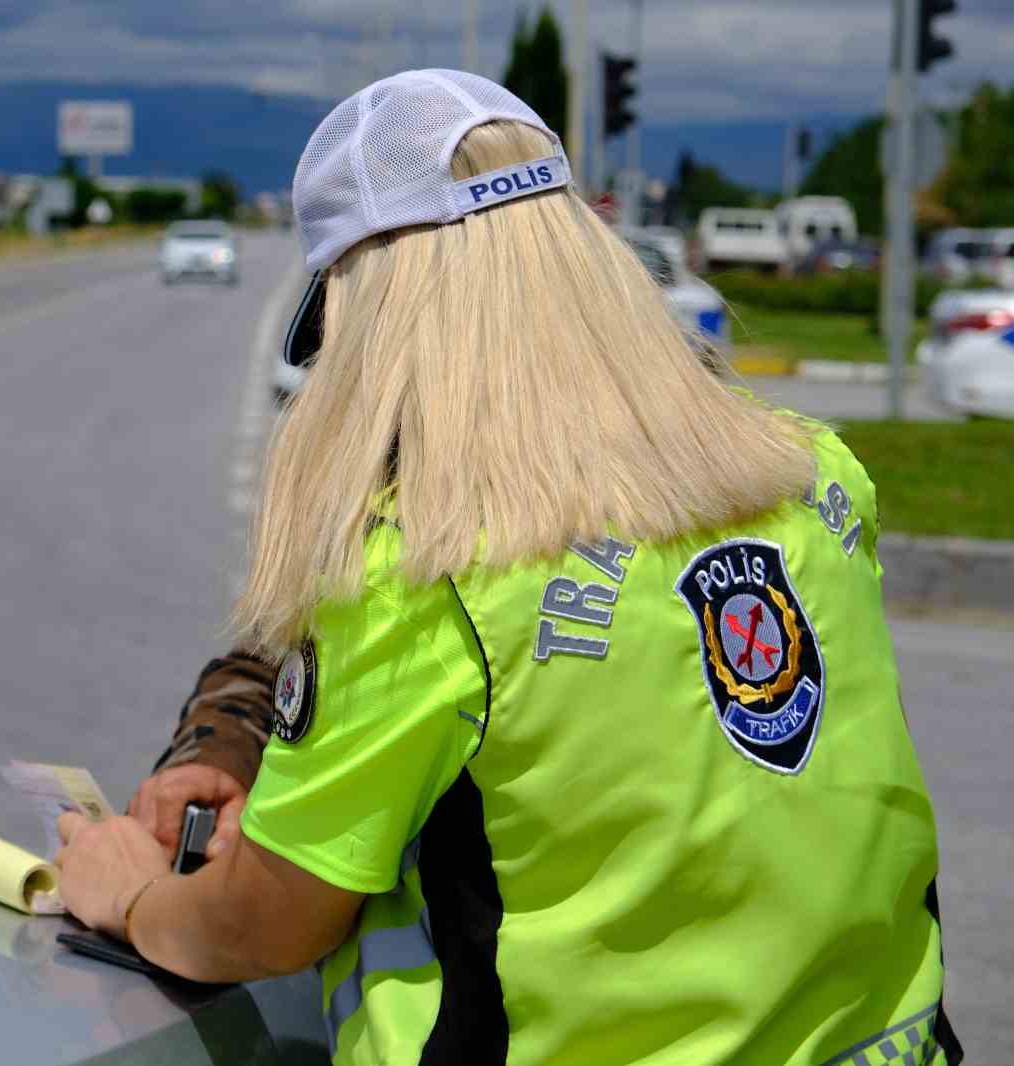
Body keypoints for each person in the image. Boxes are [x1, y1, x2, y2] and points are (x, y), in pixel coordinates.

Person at [55, 70, 960, 1066]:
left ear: (372, 310)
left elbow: (270, 921)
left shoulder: (430, 568)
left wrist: (132, 893)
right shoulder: (814, 473)